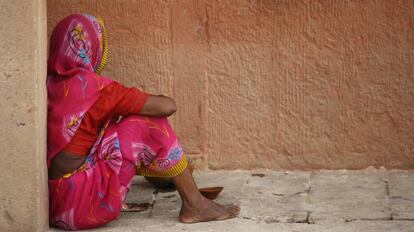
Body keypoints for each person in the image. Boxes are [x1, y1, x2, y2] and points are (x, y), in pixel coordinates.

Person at [47, 13, 240, 230]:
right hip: (84, 209)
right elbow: (168, 106)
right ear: (92, 47)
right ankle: (195, 203)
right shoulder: (96, 87)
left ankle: (173, 182)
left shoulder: (49, 84)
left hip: (55, 205)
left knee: (114, 131)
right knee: (149, 123)